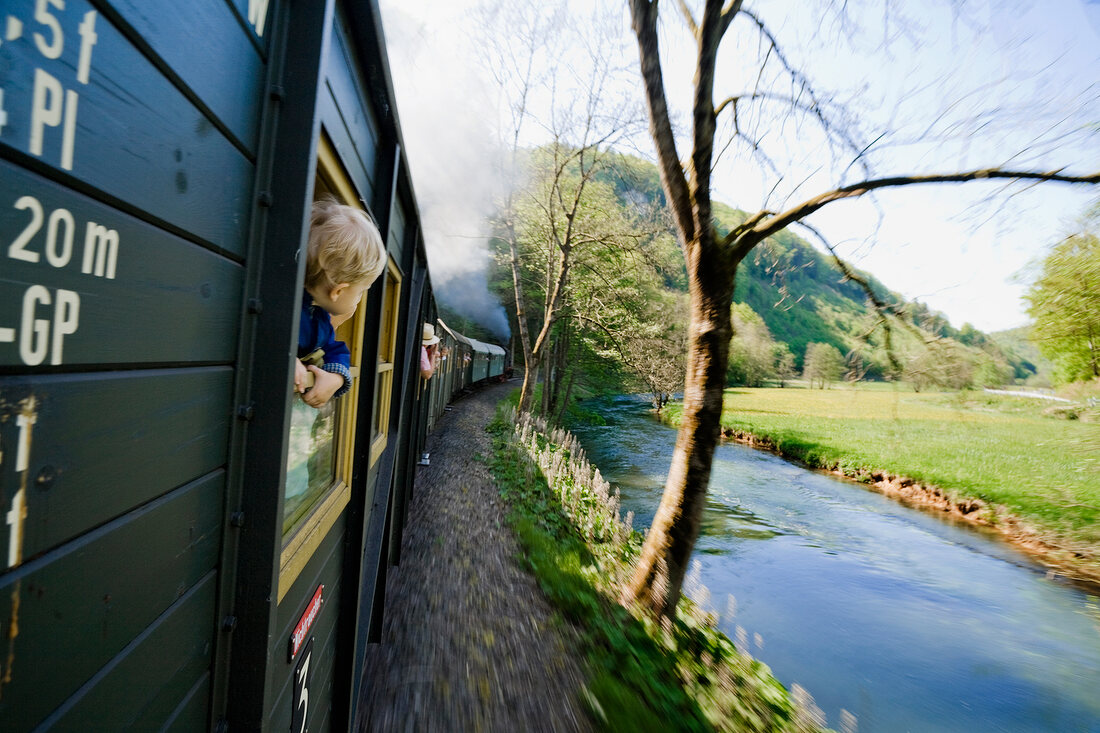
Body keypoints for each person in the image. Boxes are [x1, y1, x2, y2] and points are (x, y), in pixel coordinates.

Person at [295, 198, 386, 407]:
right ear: (338, 291)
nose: (360, 299)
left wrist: (335, 378)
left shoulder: (319, 316)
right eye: (361, 291)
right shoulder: (288, 309)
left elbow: (336, 350)